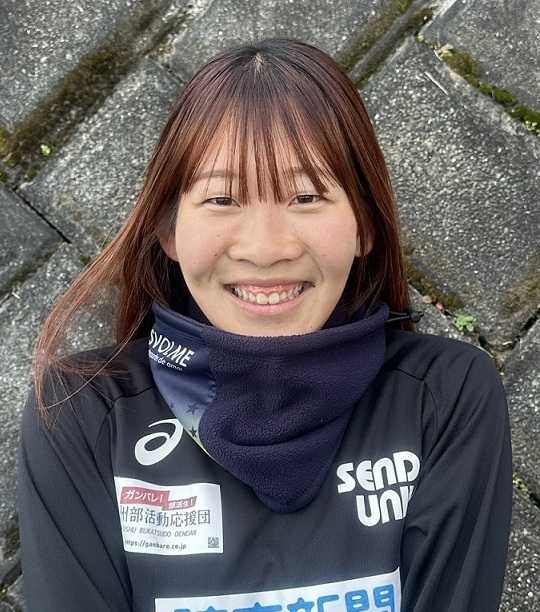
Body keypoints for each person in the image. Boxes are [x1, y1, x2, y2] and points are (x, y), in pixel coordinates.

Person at [16, 37, 512, 612]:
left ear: (366, 226)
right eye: (222, 199)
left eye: (306, 196)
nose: (265, 248)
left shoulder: (443, 398)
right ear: (168, 231)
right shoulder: (83, 411)